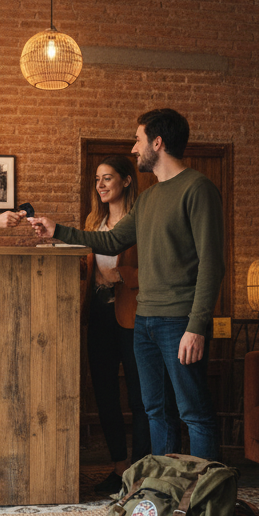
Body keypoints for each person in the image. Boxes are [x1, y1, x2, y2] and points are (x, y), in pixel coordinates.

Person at [31, 109, 224, 460]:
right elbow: (110, 241)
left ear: (158, 142)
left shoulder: (198, 189)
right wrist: (57, 230)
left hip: (180, 321)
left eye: (138, 140)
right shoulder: (148, 199)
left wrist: (197, 326)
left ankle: (204, 499)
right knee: (155, 412)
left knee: (194, 413)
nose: (134, 149)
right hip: (145, 322)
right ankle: (161, 494)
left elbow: (212, 264)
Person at [82, 155, 179, 494]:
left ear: (125, 180)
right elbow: (89, 268)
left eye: (107, 177)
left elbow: (158, 267)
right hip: (98, 312)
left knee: (141, 396)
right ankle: (118, 466)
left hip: (133, 312)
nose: (101, 185)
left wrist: (121, 274)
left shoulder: (142, 219)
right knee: (105, 392)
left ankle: (139, 470)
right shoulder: (93, 221)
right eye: (97, 179)